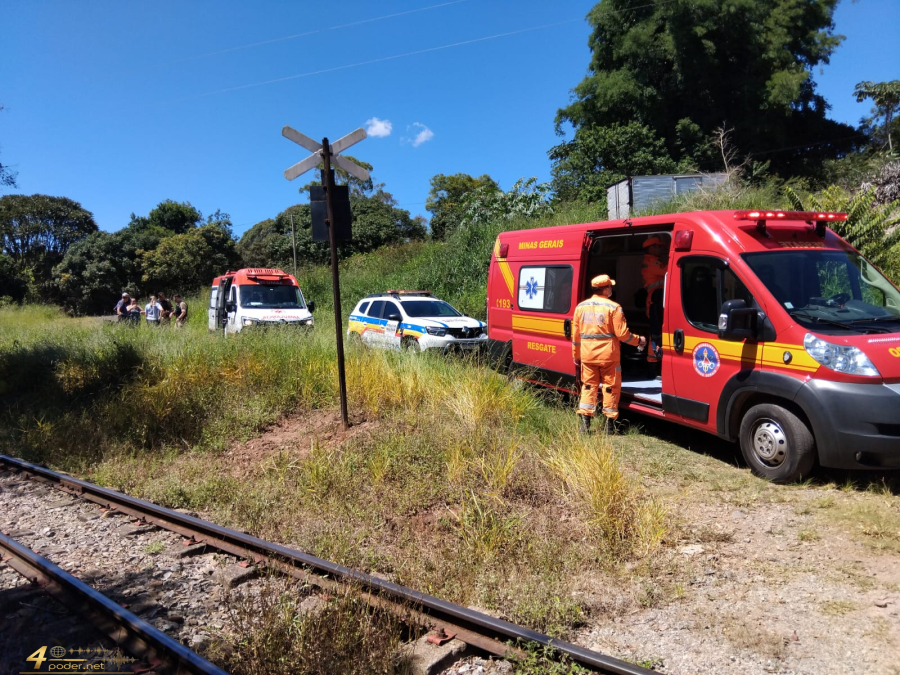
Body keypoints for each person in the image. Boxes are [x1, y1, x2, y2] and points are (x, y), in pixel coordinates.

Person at [572, 274, 645, 433]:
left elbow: (576, 336)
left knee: (588, 386)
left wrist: (576, 355)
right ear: (605, 289)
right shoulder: (614, 308)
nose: (611, 288)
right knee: (610, 388)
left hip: (588, 355)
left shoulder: (580, 307)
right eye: (610, 286)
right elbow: (623, 334)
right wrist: (639, 341)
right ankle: (609, 427)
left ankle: (585, 425)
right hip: (608, 356)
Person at [641, 236, 668, 366]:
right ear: (652, 248)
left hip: (657, 300)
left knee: (659, 331)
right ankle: (653, 362)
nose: (662, 249)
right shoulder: (651, 262)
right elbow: (667, 270)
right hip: (654, 302)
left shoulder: (654, 261)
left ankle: (656, 359)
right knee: (656, 333)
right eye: (659, 246)